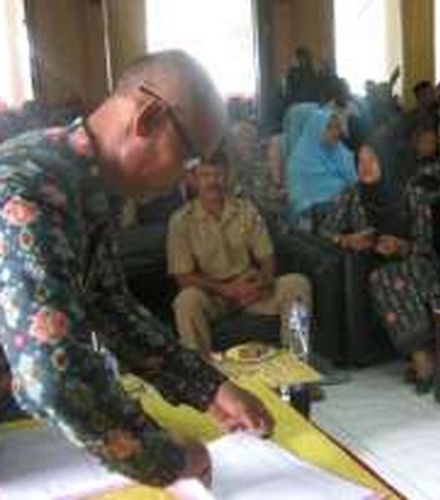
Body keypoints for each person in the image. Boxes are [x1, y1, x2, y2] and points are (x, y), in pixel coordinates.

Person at [0, 50, 274, 487]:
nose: (189, 179)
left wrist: (211, 389)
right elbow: (51, 377)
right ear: (147, 118)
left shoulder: (82, 184)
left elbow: (110, 307)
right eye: (188, 159)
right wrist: (165, 458)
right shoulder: (29, 193)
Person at [317, 145, 440, 394]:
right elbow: (324, 231)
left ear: (388, 161)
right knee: (382, 276)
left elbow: (425, 245)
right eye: (360, 161)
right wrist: (348, 240)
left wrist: (401, 246)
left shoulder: (413, 195)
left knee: (384, 277)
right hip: (376, 270)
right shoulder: (351, 195)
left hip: (415, 264)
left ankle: (422, 358)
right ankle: (424, 356)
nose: (365, 167)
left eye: (372, 160)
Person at [168, 155, 312, 359]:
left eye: (218, 174)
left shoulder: (246, 209)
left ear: (226, 176)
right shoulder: (181, 221)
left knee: (297, 284)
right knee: (186, 300)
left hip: (251, 290)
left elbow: (266, 256)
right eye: (205, 175)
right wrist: (227, 290)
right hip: (213, 297)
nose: (213, 181)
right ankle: (202, 372)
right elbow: (183, 277)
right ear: (194, 180)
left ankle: (297, 362)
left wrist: (264, 281)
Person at [286, 108, 358, 227]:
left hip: (343, 212)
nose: (336, 132)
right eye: (329, 128)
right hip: (311, 219)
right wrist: (346, 190)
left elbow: (355, 182)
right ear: (315, 130)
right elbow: (301, 203)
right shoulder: (301, 160)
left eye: (337, 127)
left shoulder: (341, 152)